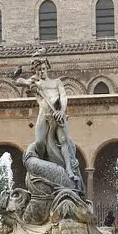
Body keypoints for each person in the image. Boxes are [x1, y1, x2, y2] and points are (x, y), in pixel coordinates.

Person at [14, 54, 83, 192]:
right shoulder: (35, 83)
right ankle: (44, 166)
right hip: (43, 115)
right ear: (35, 71)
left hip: (57, 115)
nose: (41, 71)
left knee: (63, 141)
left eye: (44, 69)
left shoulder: (57, 82)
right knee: (39, 142)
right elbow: (19, 81)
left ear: (47, 68)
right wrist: (27, 82)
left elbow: (63, 96)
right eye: (38, 69)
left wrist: (62, 111)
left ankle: (69, 170)